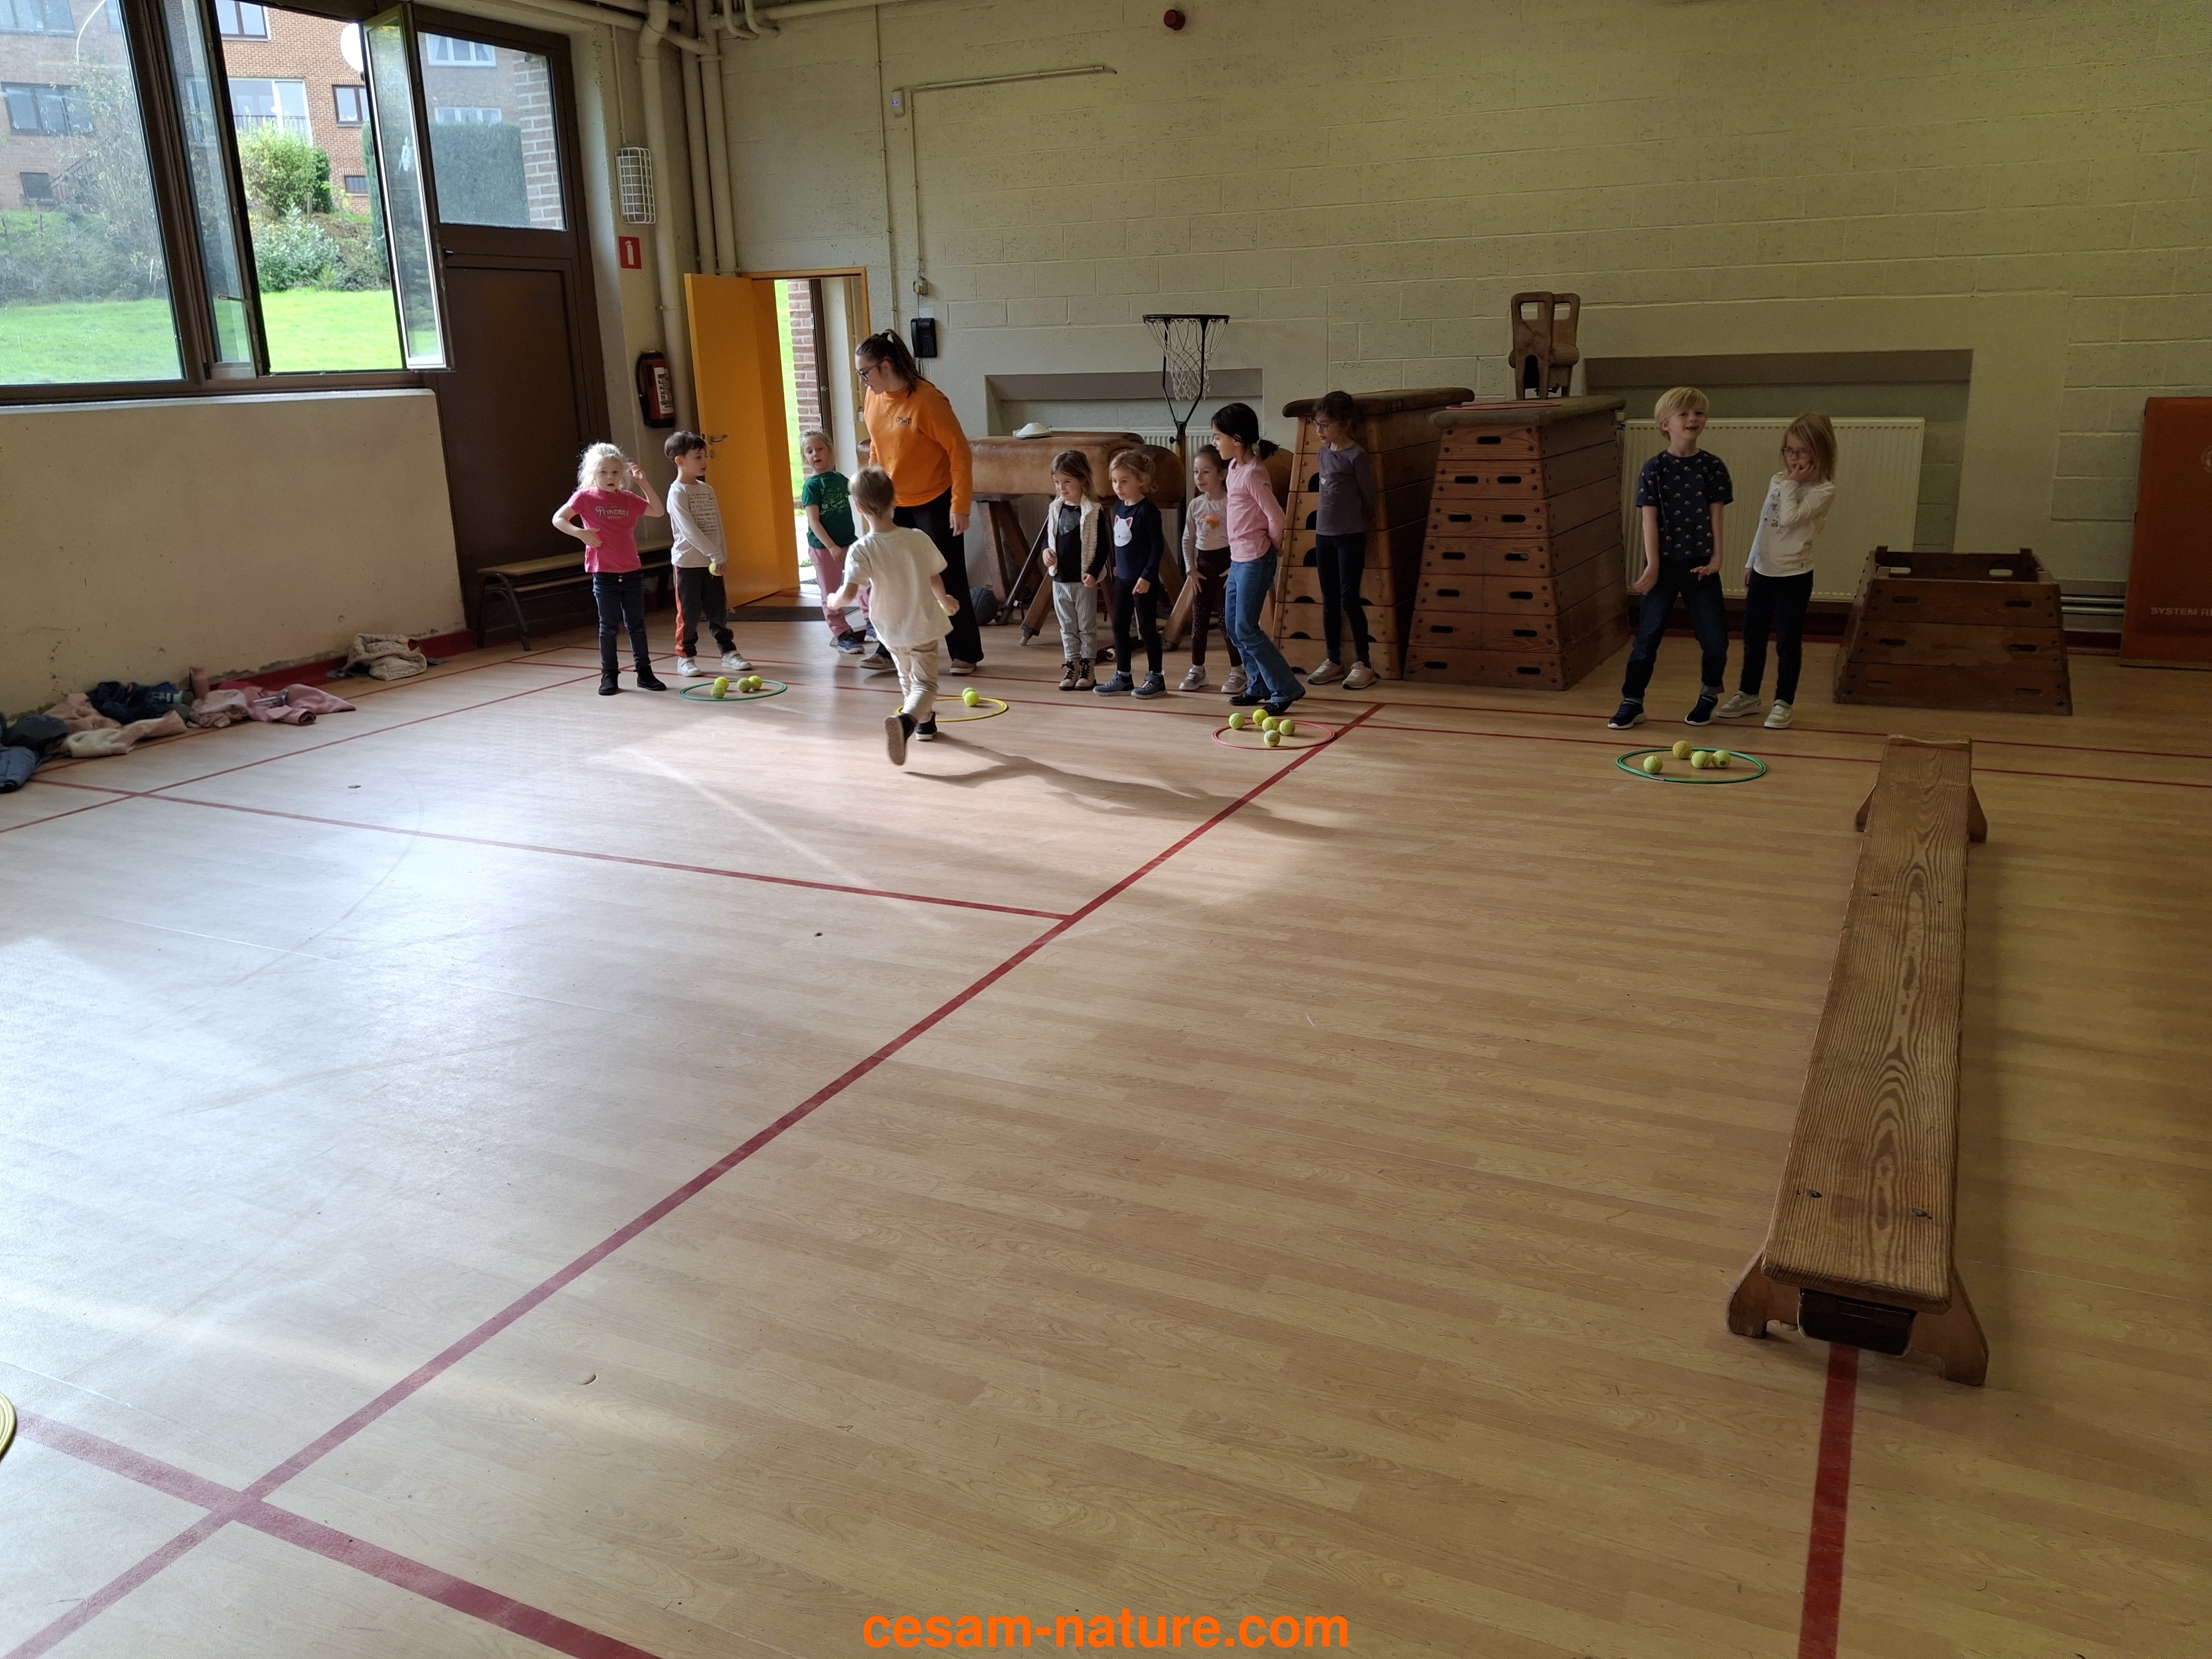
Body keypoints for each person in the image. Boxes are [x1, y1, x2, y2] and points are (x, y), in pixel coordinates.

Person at [856, 330, 982, 673]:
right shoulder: (874, 398)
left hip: (934, 499)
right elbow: (877, 448)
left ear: (885, 366)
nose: (863, 381)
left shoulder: (927, 400)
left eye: (865, 373)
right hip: (892, 502)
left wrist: (960, 505)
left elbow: (959, 451)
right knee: (891, 575)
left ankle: (965, 652)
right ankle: (889, 648)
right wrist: (871, 494)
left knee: (945, 573)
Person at [1608, 387, 1732, 730]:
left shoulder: (1712, 467)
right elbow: (1648, 521)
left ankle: (1709, 694)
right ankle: (1632, 701)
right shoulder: (1654, 469)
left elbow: (1716, 516)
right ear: (1665, 424)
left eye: (1699, 413)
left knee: (1715, 640)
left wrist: (1718, 559)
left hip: (1701, 567)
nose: (1693, 419)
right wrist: (1653, 565)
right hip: (1664, 567)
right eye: (1684, 414)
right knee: (1647, 639)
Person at [827, 466, 960, 767]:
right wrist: (946, 600)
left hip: (890, 629)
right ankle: (908, 721)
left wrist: (834, 600)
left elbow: (849, 593)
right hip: (922, 623)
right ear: (895, 501)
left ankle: (924, 723)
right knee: (926, 684)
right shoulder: (917, 538)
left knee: (906, 675)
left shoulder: (861, 549)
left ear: (859, 509)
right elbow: (934, 576)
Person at [1717, 414, 1835, 731]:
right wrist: (1751, 561)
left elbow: (1788, 519)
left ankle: (1784, 702)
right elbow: (1765, 524)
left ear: (1821, 453)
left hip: (1794, 576)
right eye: (1789, 450)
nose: (1794, 458)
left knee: (1787, 641)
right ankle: (1749, 694)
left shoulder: (1823, 491)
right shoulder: (1779, 480)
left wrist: (1792, 484)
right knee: (1753, 636)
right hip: (1763, 572)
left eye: (1803, 451)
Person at [554, 442, 668, 697]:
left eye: (615, 472)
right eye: (603, 472)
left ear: (622, 474)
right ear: (593, 474)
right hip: (604, 573)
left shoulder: (628, 499)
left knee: (636, 624)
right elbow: (558, 519)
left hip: (631, 571)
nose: (610, 477)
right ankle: (609, 674)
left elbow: (658, 511)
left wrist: (643, 483)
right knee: (608, 626)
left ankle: (645, 673)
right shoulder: (585, 498)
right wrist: (580, 533)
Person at [1211, 402, 1301, 716]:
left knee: (1247, 627)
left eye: (1218, 437)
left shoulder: (1253, 473)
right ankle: (1259, 683)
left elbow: (1277, 516)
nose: (1214, 443)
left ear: (1236, 439)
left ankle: (1285, 687)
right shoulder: (1236, 469)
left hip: (1256, 560)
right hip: (1239, 560)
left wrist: (1273, 545)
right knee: (1234, 626)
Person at [1305, 389, 1379, 691]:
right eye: (1317, 424)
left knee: (1349, 599)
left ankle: (1364, 662)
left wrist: (1359, 523)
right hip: (1324, 535)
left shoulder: (1356, 456)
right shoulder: (1324, 454)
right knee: (1330, 599)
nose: (1320, 431)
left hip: (1350, 536)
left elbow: (1369, 497)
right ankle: (1333, 659)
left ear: (1344, 423)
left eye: (1326, 425)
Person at [663, 430, 750, 680]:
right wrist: (714, 554)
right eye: (698, 457)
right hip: (688, 564)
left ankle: (728, 652)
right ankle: (685, 657)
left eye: (705, 456)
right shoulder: (677, 493)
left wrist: (722, 555)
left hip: (713, 563)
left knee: (718, 611)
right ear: (680, 461)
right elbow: (689, 531)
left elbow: (718, 526)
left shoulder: (707, 489)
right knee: (689, 614)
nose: (704, 461)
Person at [1091, 449, 1168, 698]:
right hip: (1123, 579)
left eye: (1124, 481)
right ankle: (1123, 675)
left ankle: (1156, 677)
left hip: (1143, 581)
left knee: (1146, 628)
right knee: (1119, 626)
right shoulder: (1117, 508)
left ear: (1141, 480)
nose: (1118, 487)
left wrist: (1147, 576)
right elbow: (1118, 542)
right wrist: (1116, 566)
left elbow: (1157, 548)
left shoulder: (1148, 511)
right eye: (1115, 481)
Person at [1179, 445, 1244, 693]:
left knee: (1227, 624)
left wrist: (1235, 567)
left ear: (1222, 474)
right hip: (1202, 572)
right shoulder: (1195, 505)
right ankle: (1198, 670)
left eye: (1206, 472)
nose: (1199, 477)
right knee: (1199, 623)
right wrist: (1190, 569)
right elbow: (1188, 539)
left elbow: (1239, 537)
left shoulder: (1231, 503)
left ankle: (1238, 671)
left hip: (1226, 571)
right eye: (1196, 472)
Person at [797, 430, 869, 654]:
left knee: (864, 581)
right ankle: (842, 634)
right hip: (824, 549)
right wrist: (831, 546)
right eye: (809, 451)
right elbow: (814, 522)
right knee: (830, 591)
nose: (815, 454)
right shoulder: (812, 487)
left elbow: (860, 495)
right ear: (804, 457)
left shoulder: (839, 479)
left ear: (830, 451)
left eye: (820, 449)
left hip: (849, 543)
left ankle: (872, 622)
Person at [1041, 448, 1104, 691]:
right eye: (1057, 482)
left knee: (1086, 627)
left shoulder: (1094, 511)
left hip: (1083, 581)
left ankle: (1088, 670)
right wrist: (1046, 552)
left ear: (1083, 480)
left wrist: (1094, 572)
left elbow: (1103, 547)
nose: (1061, 487)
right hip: (1060, 580)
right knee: (1067, 627)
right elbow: (1048, 538)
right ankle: (1072, 666)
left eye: (1067, 481)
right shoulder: (1055, 509)